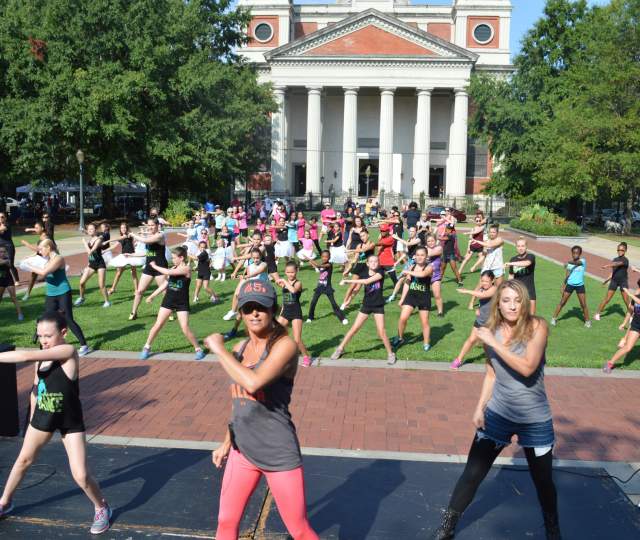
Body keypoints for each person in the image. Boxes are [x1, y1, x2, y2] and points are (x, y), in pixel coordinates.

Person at [432, 280, 561, 540]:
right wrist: (480, 407)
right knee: (472, 475)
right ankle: (446, 529)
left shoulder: (538, 326)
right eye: (506, 301)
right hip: (498, 415)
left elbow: (527, 367)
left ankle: (553, 530)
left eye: (517, 300)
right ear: (498, 304)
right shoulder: (491, 330)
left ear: (524, 302)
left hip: (534, 420)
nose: (512, 306)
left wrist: (493, 340)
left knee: (543, 482)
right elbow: (491, 374)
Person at [204, 281, 318, 540]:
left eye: (261, 308)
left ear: (273, 310)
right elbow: (238, 403)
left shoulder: (284, 346)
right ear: (241, 313)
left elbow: (253, 383)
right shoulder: (239, 349)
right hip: (242, 451)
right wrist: (226, 441)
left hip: (278, 452)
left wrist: (219, 350)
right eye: (248, 308)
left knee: (298, 530)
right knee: (226, 521)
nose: (254, 313)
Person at [0, 312, 112, 533]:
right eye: (40, 335)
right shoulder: (41, 357)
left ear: (63, 333)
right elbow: (36, 386)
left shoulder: (68, 352)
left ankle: (102, 507)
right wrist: (32, 417)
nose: (43, 340)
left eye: (48, 336)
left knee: (80, 474)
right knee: (23, 460)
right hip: (43, 416)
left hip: (69, 420)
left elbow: (23, 357)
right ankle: (4, 502)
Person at [25, 240, 91, 356]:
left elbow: (44, 272)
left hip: (63, 292)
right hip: (50, 293)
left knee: (68, 319)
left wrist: (28, 265)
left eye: (41, 249)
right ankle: (45, 346)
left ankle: (84, 346)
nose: (40, 251)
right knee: (47, 318)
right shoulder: (48, 259)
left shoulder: (58, 258)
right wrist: (31, 260)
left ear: (48, 248)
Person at [139, 246, 206, 360]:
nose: (173, 260)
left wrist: (155, 266)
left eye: (174, 258)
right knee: (158, 324)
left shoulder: (186, 269)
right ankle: (147, 347)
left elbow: (168, 272)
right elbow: (166, 283)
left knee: (184, 327)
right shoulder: (174, 267)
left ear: (181, 257)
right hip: (169, 300)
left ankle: (198, 349)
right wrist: (152, 296)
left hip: (182, 302)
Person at [332, 254, 396, 364]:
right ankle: (340, 349)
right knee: (354, 328)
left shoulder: (380, 272)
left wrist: (348, 281)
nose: (374, 263)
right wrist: (349, 300)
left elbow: (366, 282)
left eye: (376, 261)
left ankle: (390, 354)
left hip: (378, 305)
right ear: (367, 263)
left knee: (381, 331)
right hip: (366, 305)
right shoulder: (364, 273)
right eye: (371, 261)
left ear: (378, 263)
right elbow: (357, 289)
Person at [450, 271, 498, 370]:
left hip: (491, 322)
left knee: (489, 344)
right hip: (481, 319)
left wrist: (466, 291)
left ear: (493, 280)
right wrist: (479, 308)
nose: (484, 283)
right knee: (471, 339)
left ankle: (497, 363)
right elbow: (482, 300)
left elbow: (483, 296)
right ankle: (459, 360)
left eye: (486, 281)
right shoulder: (482, 288)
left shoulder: (494, 289)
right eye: (482, 281)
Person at [390, 247, 433, 352]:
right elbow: (407, 283)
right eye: (418, 255)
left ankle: (426, 343)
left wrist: (407, 271)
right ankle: (400, 338)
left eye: (422, 255)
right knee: (403, 318)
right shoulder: (412, 266)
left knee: (424, 322)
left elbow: (423, 274)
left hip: (424, 297)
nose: (420, 257)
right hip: (411, 296)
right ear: (415, 256)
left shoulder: (429, 267)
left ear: (426, 256)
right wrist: (402, 299)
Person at [128, 218, 168, 321]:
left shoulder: (160, 235)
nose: (150, 227)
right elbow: (149, 253)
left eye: (152, 225)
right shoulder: (150, 236)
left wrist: (133, 235)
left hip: (160, 267)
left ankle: (168, 312)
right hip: (149, 267)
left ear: (157, 225)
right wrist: (132, 254)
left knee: (164, 291)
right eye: (148, 225)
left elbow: (145, 240)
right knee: (139, 291)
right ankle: (133, 312)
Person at [276, 262, 312, 367]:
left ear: (297, 271)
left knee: (297, 339)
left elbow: (293, 291)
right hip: (285, 312)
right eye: (287, 272)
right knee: (275, 334)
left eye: (292, 272)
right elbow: (285, 299)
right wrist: (281, 312)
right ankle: (282, 354)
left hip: (296, 312)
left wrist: (283, 281)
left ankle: (306, 357)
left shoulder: (298, 283)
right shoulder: (285, 283)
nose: (290, 274)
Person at [603, 283, 640, 373]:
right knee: (628, 347)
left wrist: (629, 293)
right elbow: (630, 312)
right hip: (637, 325)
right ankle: (609, 363)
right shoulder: (635, 297)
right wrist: (624, 336)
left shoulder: (635, 297)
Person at [550, 246, 591, 327]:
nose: (575, 254)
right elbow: (567, 275)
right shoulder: (569, 264)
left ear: (580, 254)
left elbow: (577, 263)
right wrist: (563, 285)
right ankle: (554, 318)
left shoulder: (582, 261)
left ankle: (587, 321)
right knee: (562, 302)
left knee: (583, 304)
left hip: (580, 285)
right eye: (574, 253)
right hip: (570, 285)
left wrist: (568, 263)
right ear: (572, 253)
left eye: (577, 253)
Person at [306, 250, 348, 325]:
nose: (324, 258)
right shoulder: (322, 264)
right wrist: (312, 264)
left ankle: (342, 318)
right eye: (323, 256)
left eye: (326, 257)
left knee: (333, 304)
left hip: (327, 287)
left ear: (329, 257)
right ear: (321, 257)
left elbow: (319, 266)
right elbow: (319, 268)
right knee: (313, 302)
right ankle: (310, 317)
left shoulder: (329, 265)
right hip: (319, 287)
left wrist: (309, 259)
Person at [467, 223, 503, 310]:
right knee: (480, 286)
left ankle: (498, 305)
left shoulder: (500, 240)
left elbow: (490, 245)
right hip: (487, 268)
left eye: (494, 232)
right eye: (490, 232)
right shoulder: (486, 242)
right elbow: (483, 255)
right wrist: (475, 266)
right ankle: (472, 302)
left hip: (498, 268)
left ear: (497, 233)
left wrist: (476, 241)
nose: (492, 234)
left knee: (500, 288)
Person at [75, 223, 111, 308]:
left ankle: (107, 302)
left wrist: (84, 243)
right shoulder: (91, 238)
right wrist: (84, 231)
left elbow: (90, 252)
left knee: (101, 285)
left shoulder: (98, 240)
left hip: (100, 264)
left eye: (92, 229)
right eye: (89, 229)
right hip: (91, 264)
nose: (90, 230)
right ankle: (82, 298)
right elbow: (88, 233)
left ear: (95, 230)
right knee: (81, 282)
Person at [340, 229, 375, 311]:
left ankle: (348, 302)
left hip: (367, 268)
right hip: (359, 267)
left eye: (364, 235)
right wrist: (347, 270)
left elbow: (364, 250)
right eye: (361, 236)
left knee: (358, 288)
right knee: (352, 286)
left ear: (368, 235)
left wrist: (350, 250)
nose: (362, 238)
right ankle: (344, 302)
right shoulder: (359, 245)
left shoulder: (372, 244)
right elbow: (355, 259)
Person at [594, 242, 630, 321]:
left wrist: (607, 265)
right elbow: (613, 271)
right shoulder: (615, 259)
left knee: (626, 300)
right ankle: (597, 313)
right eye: (618, 250)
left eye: (622, 250)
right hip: (614, 281)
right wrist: (606, 280)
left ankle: (631, 316)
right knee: (607, 299)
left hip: (623, 282)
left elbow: (618, 264)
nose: (620, 251)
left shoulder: (625, 260)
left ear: (625, 251)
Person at [20, 220, 52, 301]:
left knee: (50, 276)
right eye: (35, 228)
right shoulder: (41, 236)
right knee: (33, 276)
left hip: (46, 259)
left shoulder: (45, 237)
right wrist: (31, 256)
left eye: (37, 228)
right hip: (40, 258)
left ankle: (57, 292)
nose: (35, 230)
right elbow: (39, 251)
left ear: (42, 228)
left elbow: (37, 249)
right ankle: (27, 294)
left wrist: (26, 244)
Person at [504, 238, 537, 314]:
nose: (520, 248)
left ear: (526, 247)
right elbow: (511, 276)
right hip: (517, 290)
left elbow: (527, 263)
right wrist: (507, 288)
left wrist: (510, 264)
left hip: (529, 290)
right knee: (518, 314)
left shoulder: (531, 256)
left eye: (522, 246)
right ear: (516, 247)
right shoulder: (513, 259)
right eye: (518, 246)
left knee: (531, 315)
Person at [106, 222, 140, 295]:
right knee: (118, 273)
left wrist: (108, 241)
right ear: (120, 229)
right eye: (121, 228)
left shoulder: (129, 235)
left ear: (127, 228)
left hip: (131, 256)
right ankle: (112, 288)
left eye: (124, 228)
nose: (123, 229)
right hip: (123, 256)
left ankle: (136, 290)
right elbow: (114, 246)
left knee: (134, 273)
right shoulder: (120, 237)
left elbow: (130, 239)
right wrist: (105, 250)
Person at [0, 245, 24, 320]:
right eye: (0, 252)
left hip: (8, 280)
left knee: (13, 297)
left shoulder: (7, 259)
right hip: (0, 281)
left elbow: (7, 263)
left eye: (4, 251)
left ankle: (20, 314)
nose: (2, 253)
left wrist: (3, 261)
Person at [0, 212, 20, 286]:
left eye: (2, 217)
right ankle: (3, 280)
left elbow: (2, 229)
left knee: (10, 264)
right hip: (1, 248)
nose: (1, 218)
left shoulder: (7, 224)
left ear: (5, 218)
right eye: (0, 217)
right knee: (2, 265)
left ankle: (17, 280)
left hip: (8, 247)